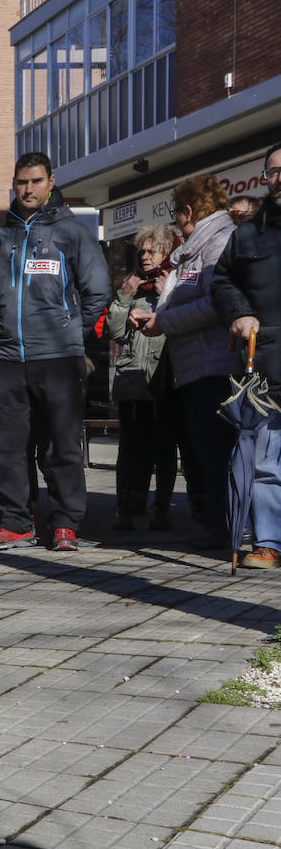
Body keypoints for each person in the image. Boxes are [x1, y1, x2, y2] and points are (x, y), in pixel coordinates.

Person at [0, 151, 111, 551]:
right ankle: (16, 522)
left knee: (61, 445)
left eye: (36, 181)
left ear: (51, 182)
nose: (28, 189)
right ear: (14, 185)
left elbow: (97, 290)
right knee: (8, 447)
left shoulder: (72, 233)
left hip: (57, 357)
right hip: (7, 359)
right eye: (22, 182)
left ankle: (66, 522)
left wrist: (70, 332)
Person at [130, 174, 237, 551]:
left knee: (216, 450)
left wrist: (164, 321)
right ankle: (219, 524)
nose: (175, 220)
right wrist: (155, 315)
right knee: (205, 450)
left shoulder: (218, 241)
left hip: (216, 365)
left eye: (176, 212)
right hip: (196, 364)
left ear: (188, 211)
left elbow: (216, 302)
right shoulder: (196, 247)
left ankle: (226, 526)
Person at [212, 143, 281, 569]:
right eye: (274, 171)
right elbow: (221, 283)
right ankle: (270, 542)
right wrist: (240, 314)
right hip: (267, 362)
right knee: (267, 460)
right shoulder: (247, 236)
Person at [105, 225, 194, 531]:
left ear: (167, 252)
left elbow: (188, 324)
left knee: (164, 449)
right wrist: (123, 298)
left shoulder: (175, 283)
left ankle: (162, 510)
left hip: (165, 382)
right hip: (133, 384)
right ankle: (128, 509)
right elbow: (114, 331)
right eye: (141, 250)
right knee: (131, 450)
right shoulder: (131, 286)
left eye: (151, 250)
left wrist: (167, 296)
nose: (144, 256)